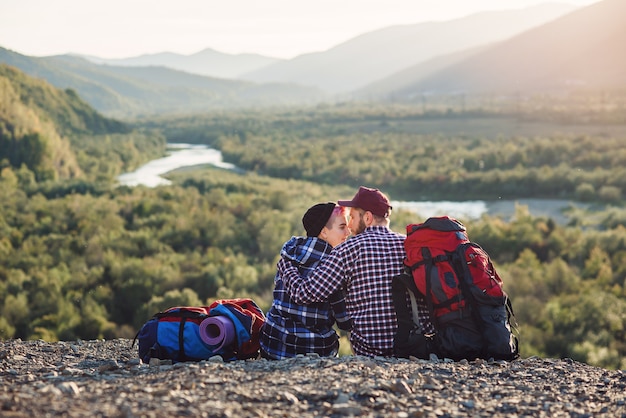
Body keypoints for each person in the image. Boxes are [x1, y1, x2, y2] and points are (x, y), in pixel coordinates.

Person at [277, 186, 434, 357]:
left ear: (367, 217)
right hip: (416, 347)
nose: (350, 226)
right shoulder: (409, 245)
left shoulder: (347, 250)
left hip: (371, 351)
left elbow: (305, 293)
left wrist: (286, 264)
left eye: (352, 217)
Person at [260, 202, 353, 359]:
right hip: (313, 348)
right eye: (342, 226)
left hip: (272, 344)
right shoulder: (332, 266)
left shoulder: (290, 254)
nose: (348, 232)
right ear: (323, 232)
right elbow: (344, 320)